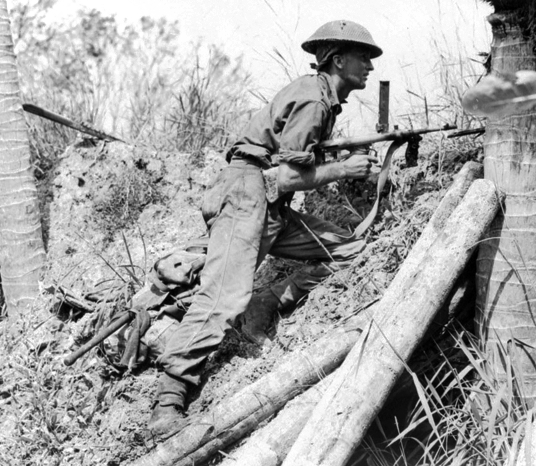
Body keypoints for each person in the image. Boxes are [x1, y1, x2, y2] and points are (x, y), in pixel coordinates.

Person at [148, 19, 382, 434]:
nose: (370, 66)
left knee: (346, 250)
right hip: (247, 195)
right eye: (363, 57)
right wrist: (345, 168)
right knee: (223, 297)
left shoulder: (320, 97)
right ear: (338, 59)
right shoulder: (314, 100)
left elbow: (293, 160)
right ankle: (168, 403)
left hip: (266, 201)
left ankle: (267, 301)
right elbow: (290, 176)